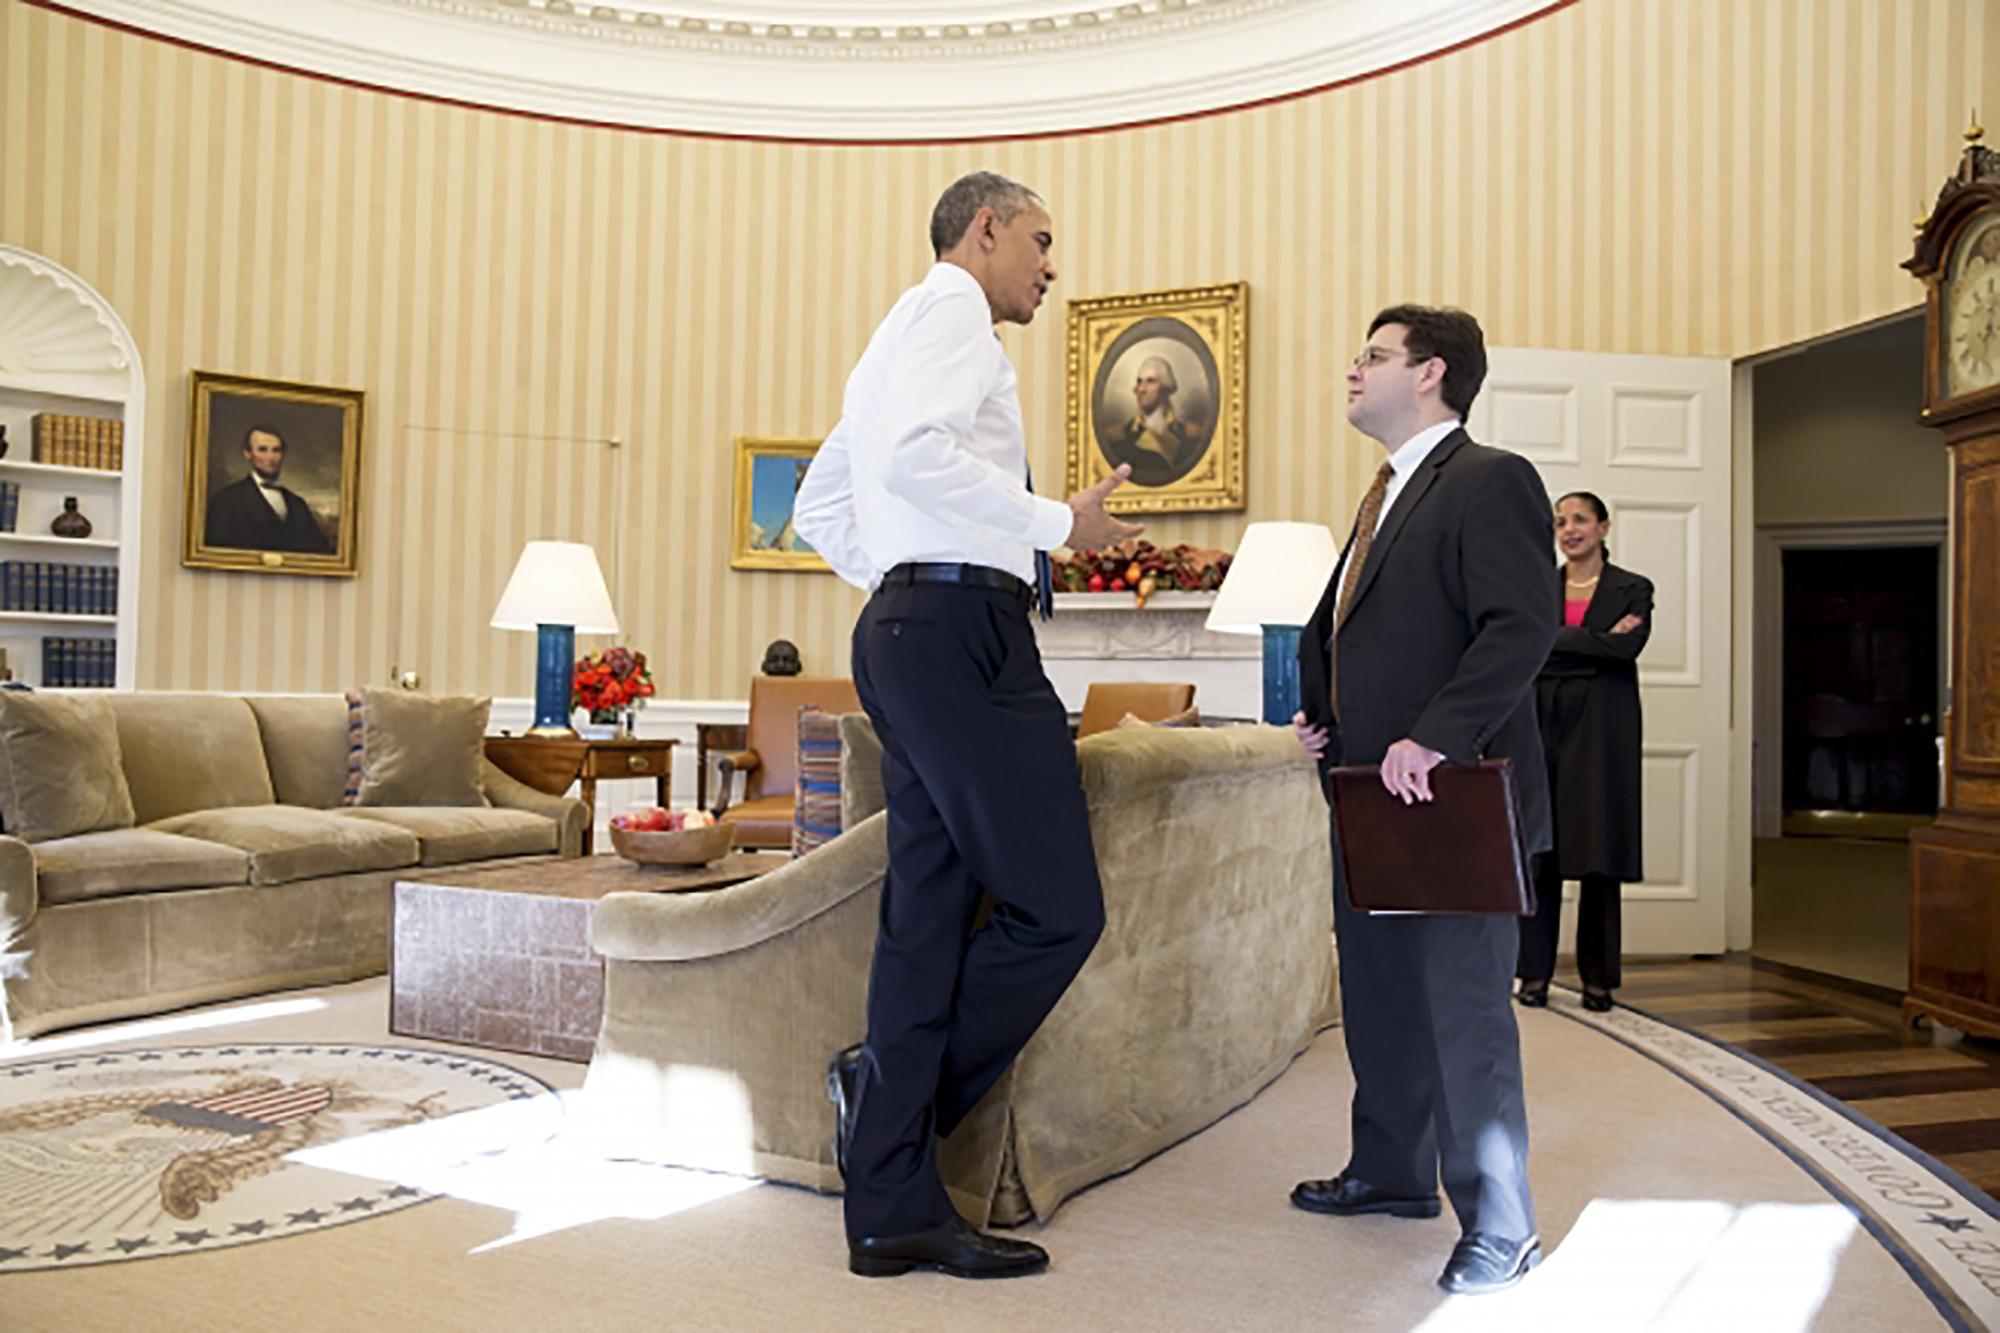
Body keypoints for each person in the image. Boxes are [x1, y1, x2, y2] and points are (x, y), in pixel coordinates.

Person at [791, 170, 1141, 1281]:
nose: (1049, 265)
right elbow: (905, 464)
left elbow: (821, 506)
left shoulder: (893, 332)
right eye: (1040, 240)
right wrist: (1052, 523)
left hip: (913, 629)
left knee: (929, 913)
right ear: (983, 229)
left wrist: (898, 582)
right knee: (1057, 907)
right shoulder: (949, 313)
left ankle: (890, 1200)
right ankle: (888, 1105)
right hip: (961, 635)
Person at [1290, 305, 1558, 1296]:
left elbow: (1518, 628)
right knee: (1380, 998)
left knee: (1461, 1012)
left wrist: (1434, 736)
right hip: (1369, 795)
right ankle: (1390, 1170)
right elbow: (1346, 628)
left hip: (1451, 800)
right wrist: (1320, 718)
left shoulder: (1488, 481)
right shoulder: (1378, 496)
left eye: (1373, 354)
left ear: (1431, 373)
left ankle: (1502, 1224)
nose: (1352, 368)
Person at [1516, 492, 1651, 1013]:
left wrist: (1557, 641)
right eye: (1560, 522)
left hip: (1602, 728)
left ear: (1602, 527)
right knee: (1540, 851)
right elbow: (1527, 646)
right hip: (1540, 721)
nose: (1569, 529)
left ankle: (1599, 980)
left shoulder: (1633, 588)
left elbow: (1626, 649)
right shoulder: (1537, 585)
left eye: (1579, 520)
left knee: (1598, 853)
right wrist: (1591, 639)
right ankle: (1533, 975)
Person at [204, 426, 334, 554]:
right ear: (248, 454)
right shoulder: (226, 501)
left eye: (276, 450)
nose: (270, 457)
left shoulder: (297, 504)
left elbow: (318, 553)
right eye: (262, 450)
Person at [1104, 354, 1204, 479]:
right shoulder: (1118, 437)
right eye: (1139, 381)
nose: (1141, 389)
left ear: (1166, 388)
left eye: (1150, 381)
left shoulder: (1191, 434)